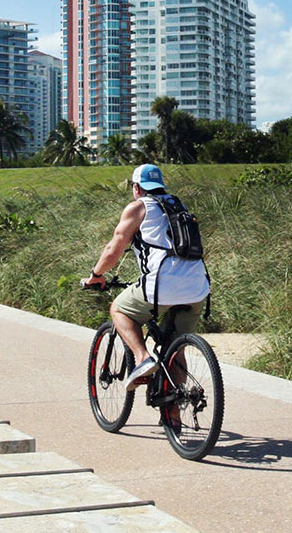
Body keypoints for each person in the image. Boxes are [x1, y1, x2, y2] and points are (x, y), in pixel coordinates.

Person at [81, 164, 209, 385]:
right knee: (175, 351)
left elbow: (114, 249)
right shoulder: (178, 204)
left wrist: (96, 275)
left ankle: (142, 359)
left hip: (162, 285)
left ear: (137, 188)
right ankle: (174, 416)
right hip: (198, 287)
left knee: (119, 309)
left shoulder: (138, 207)